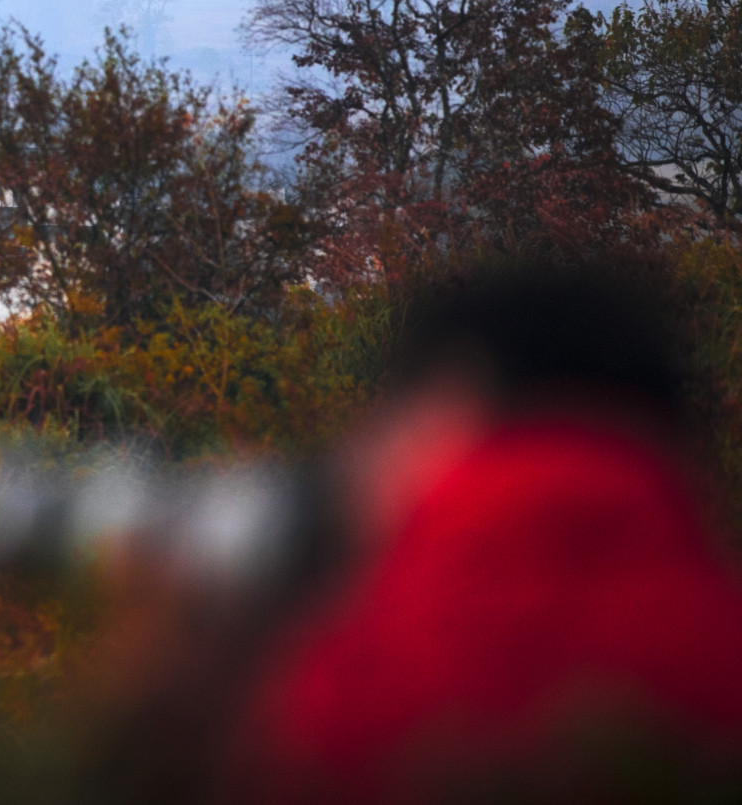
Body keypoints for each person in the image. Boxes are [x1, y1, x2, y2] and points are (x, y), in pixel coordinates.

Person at [229, 263, 742, 800]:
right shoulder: (719, 632)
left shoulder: (365, 668)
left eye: (393, 411)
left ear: (458, 399)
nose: (362, 451)